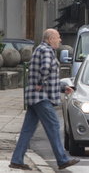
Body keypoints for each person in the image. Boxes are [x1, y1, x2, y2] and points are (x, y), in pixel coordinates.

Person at [9, 29, 80, 170]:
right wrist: (41, 83)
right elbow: (46, 69)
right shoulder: (47, 51)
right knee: (53, 126)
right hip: (41, 98)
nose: (60, 40)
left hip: (35, 96)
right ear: (50, 39)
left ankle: (16, 160)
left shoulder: (40, 49)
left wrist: (62, 87)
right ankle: (62, 159)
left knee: (27, 130)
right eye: (58, 37)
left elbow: (49, 78)